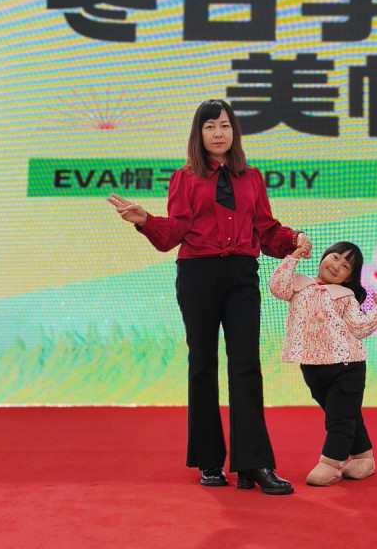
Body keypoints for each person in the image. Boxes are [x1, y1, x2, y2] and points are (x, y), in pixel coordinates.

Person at [108, 98, 311, 495]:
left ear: (235, 132)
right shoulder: (184, 178)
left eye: (225, 125)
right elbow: (174, 232)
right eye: (210, 126)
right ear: (198, 135)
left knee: (246, 366)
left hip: (241, 277)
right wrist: (146, 221)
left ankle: (254, 464)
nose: (218, 133)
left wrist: (293, 239)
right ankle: (209, 461)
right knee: (202, 364)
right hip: (197, 275)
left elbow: (266, 230)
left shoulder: (252, 178)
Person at [267, 240, 377, 487]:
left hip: (347, 365)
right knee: (344, 413)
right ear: (324, 256)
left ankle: (331, 464)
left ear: (348, 278)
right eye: (335, 257)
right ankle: (364, 458)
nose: (337, 266)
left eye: (345, 266)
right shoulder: (299, 284)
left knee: (339, 418)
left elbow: (359, 327)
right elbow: (277, 286)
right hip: (312, 367)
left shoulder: (345, 296)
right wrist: (294, 256)